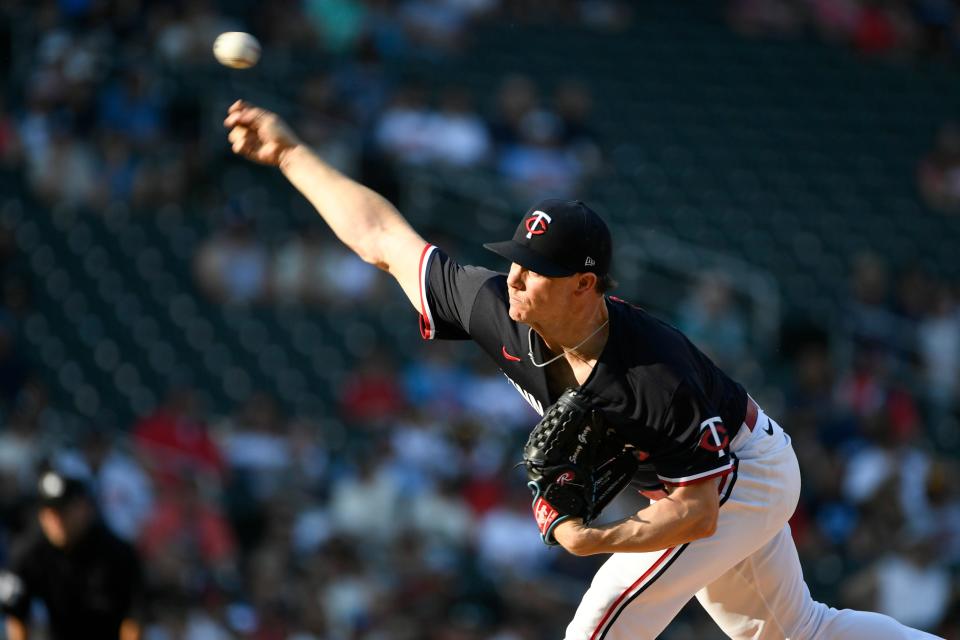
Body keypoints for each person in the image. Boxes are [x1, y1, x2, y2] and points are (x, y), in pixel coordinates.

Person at [223, 100, 942, 639]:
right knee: (800, 634)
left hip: (736, 478)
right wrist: (290, 155)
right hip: (691, 480)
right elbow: (383, 238)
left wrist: (589, 538)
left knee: (599, 619)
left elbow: (695, 512)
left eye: (535, 270)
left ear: (585, 286)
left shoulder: (647, 370)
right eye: (514, 260)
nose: (513, 278)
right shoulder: (497, 307)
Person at [0, 470, 145, 640]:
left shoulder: (117, 552)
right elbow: (16, 615)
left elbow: (134, 617)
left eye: (63, 511)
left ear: (84, 509)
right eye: (50, 512)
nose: (56, 520)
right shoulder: (28, 553)